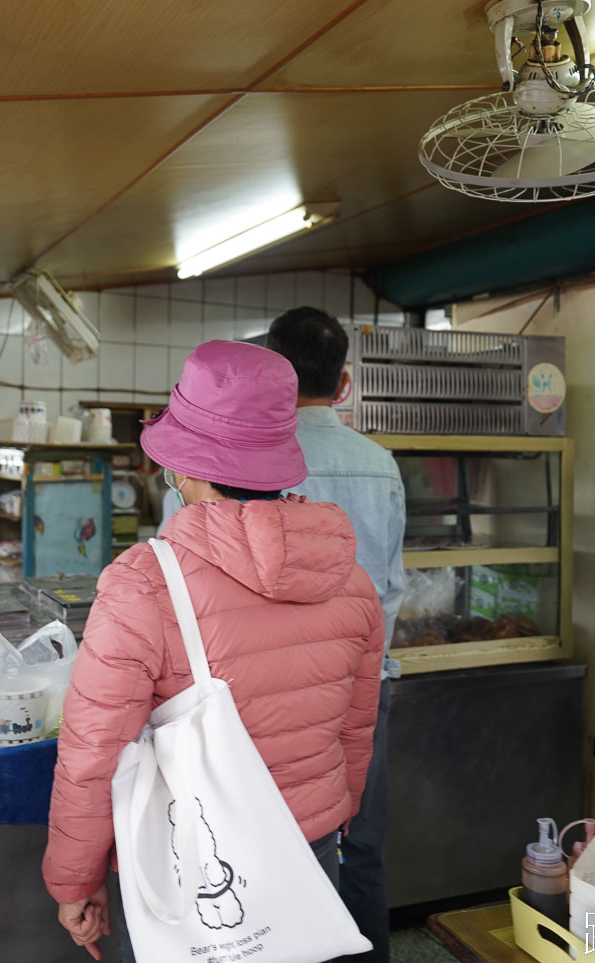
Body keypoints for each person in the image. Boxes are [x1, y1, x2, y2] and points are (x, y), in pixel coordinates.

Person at [42, 340, 385, 960]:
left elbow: (94, 755)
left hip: (194, 862)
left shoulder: (143, 583)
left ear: (187, 468)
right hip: (308, 857)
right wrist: (336, 817)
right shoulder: (352, 581)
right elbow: (354, 733)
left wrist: (75, 879)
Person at [266, 306, 406, 963]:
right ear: (344, 382)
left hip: (269, 698)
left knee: (275, 849)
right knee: (362, 845)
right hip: (361, 689)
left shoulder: (242, 463)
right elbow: (393, 586)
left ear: (271, 376)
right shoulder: (380, 464)